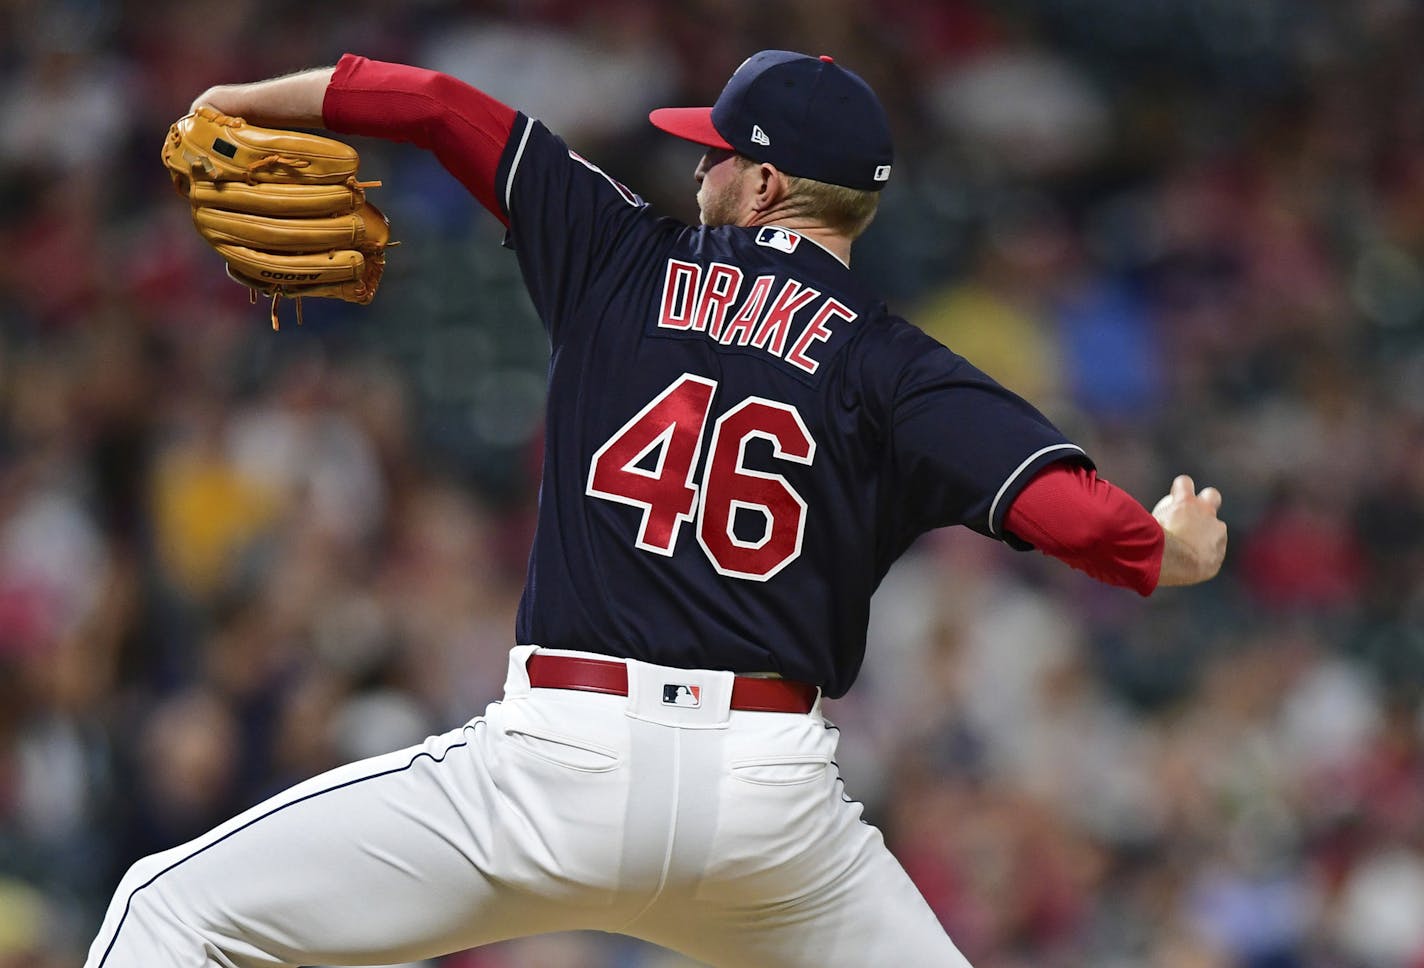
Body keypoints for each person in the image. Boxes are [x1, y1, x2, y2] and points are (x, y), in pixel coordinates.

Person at [87, 50, 1226, 968]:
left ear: (765, 185)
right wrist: (1169, 550)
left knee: (167, 908)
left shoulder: (621, 256)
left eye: (715, 155)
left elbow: (434, 104)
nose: (696, 170)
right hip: (768, 811)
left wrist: (237, 94)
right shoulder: (896, 363)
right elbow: (1080, 521)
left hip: (556, 771)